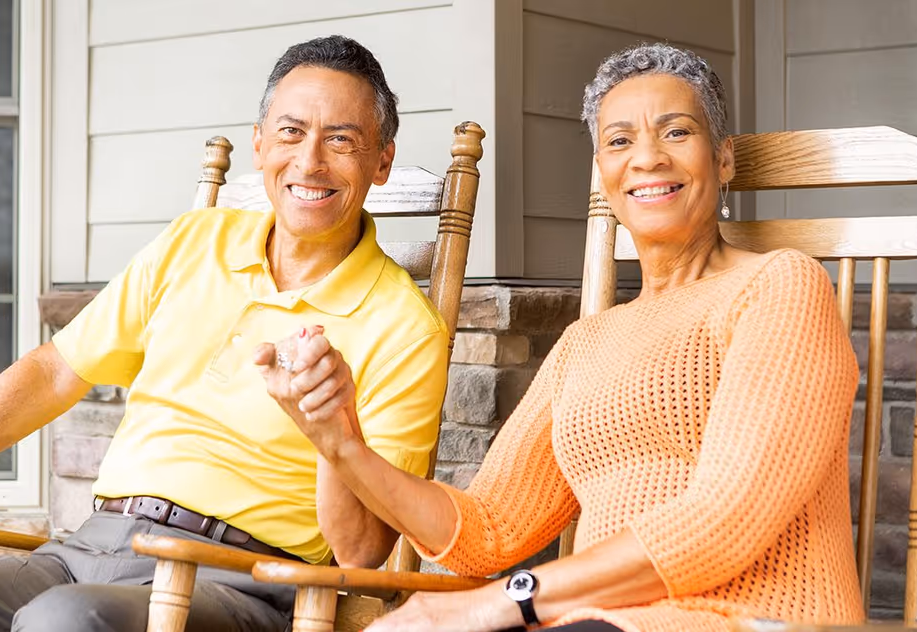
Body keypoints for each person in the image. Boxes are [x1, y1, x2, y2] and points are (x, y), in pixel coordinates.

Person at [281, 43, 863, 632]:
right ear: (602, 173)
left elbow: (726, 520)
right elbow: (488, 531)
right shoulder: (586, 343)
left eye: (677, 132)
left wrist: (492, 604)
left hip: (754, 616)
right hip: (604, 622)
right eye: (618, 141)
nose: (647, 158)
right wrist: (343, 443)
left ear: (723, 159)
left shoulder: (780, 287)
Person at [0, 35, 450, 632]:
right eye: (291, 132)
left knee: (63, 621)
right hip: (83, 551)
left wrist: (331, 427)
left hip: (238, 580)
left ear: (381, 161)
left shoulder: (405, 329)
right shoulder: (195, 241)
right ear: (259, 143)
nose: (310, 161)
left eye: (341, 139)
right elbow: (56, 370)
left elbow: (360, 553)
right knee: (60, 610)